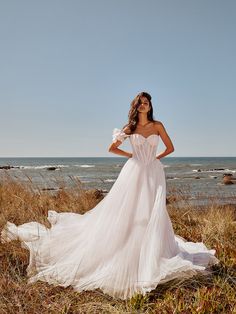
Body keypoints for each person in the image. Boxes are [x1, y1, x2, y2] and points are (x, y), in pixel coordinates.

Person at [1, 91, 219, 300]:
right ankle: (127, 251)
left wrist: (154, 159)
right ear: (136, 106)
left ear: (151, 106)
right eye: (141, 102)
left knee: (154, 210)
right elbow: (111, 148)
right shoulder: (129, 127)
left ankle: (154, 252)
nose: (145, 105)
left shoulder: (157, 125)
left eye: (147, 102)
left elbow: (170, 147)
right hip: (133, 172)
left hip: (153, 172)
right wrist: (132, 155)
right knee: (130, 210)